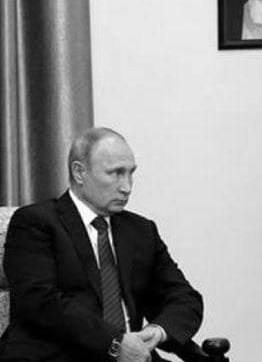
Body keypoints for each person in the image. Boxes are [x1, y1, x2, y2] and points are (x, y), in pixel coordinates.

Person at [1, 127, 203, 362]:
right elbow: (41, 302)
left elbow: (184, 297)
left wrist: (157, 332)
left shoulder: (141, 230)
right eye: (115, 173)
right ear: (79, 172)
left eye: (130, 173)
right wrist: (114, 344)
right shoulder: (35, 223)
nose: (127, 187)